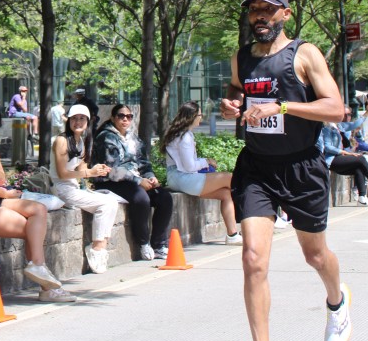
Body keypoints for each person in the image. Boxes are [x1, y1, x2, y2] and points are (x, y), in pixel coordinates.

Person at [220, 0, 350, 341]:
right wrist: (231, 103)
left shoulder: (304, 54)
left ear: (285, 14)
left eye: (268, 9)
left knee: (316, 255)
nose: (259, 16)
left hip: (301, 166)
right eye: (254, 10)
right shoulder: (241, 57)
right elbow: (235, 88)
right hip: (257, 168)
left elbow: (335, 109)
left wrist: (282, 107)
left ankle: (337, 303)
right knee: (253, 260)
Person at [0, 100, 74, 302]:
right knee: (31, 230)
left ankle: (40, 271)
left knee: (38, 209)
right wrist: (5, 193)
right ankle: (46, 287)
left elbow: (1, 177)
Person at [92, 103, 174, 261]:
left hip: (134, 180)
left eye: (129, 117)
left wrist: (150, 176)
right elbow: (112, 169)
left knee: (164, 197)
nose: (125, 119)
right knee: (141, 198)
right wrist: (138, 181)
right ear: (113, 118)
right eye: (121, 116)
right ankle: (143, 243)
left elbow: (143, 162)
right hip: (110, 181)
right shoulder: (106, 137)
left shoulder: (133, 138)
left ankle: (159, 245)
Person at [49, 104, 118, 273]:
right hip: (61, 189)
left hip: (73, 188)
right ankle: (97, 249)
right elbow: (62, 174)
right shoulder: (61, 140)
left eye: (82, 118)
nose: (78, 122)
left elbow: (81, 170)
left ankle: (100, 247)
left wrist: (96, 169)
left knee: (112, 201)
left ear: (88, 121)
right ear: (68, 121)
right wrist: (89, 173)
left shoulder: (82, 141)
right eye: (74, 118)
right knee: (107, 203)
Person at [159, 100, 240, 244]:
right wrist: (206, 162)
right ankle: (251, 216)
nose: (201, 118)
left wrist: (203, 162)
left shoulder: (180, 134)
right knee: (230, 178)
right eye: (200, 115)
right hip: (184, 178)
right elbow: (190, 166)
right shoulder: (185, 137)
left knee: (226, 194)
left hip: (177, 178)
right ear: (192, 117)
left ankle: (232, 235)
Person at [318, 122, 368, 206]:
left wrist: (366, 113)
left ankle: (362, 198)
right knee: (361, 159)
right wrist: (345, 152)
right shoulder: (327, 128)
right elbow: (327, 147)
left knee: (358, 167)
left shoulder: (339, 127)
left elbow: (355, 125)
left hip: (340, 157)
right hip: (331, 159)